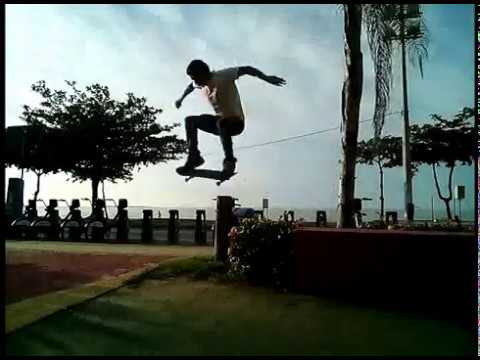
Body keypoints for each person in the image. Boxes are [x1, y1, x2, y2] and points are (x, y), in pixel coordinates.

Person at [175, 59, 286, 174]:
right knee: (190, 121)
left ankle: (229, 161)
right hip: (220, 123)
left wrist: (267, 78)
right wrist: (181, 99)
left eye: (195, 78)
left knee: (221, 122)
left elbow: (247, 69)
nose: (195, 81)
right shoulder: (199, 83)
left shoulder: (223, 75)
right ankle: (194, 158)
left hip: (236, 123)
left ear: (203, 73)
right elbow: (190, 87)